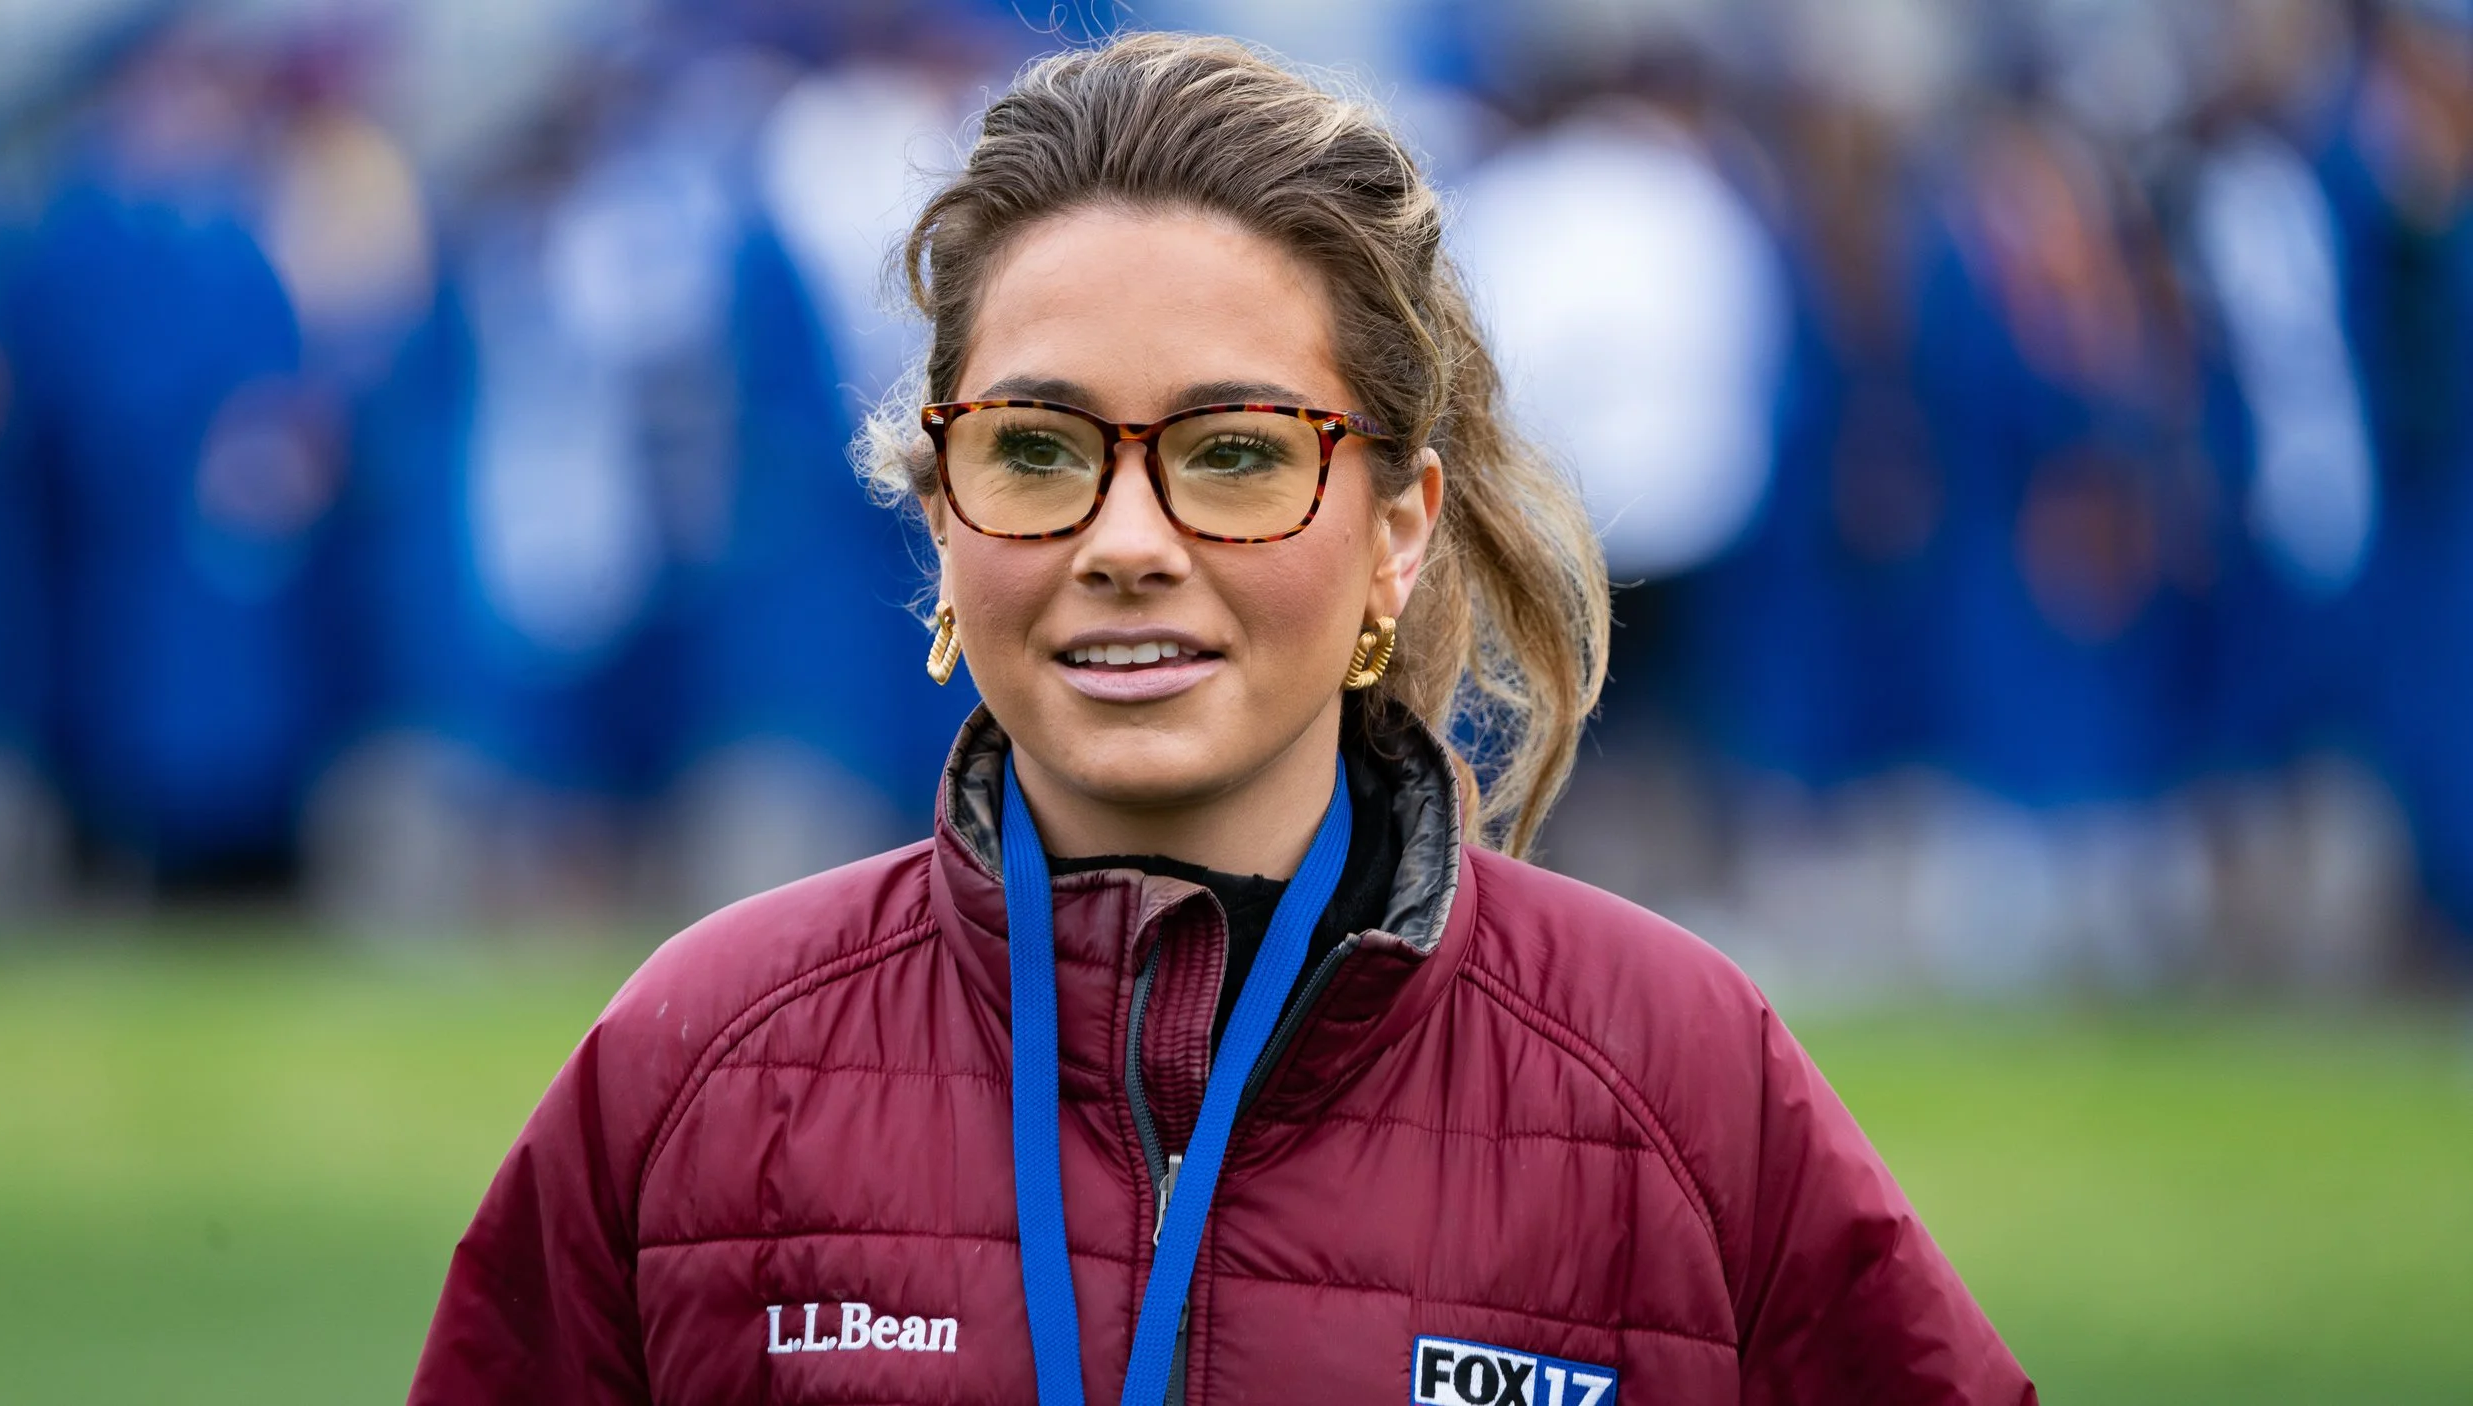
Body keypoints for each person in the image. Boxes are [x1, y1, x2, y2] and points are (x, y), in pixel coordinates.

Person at [410, 34, 2035, 1405]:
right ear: (941, 512)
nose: (1125, 541)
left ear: (1400, 523)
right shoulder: (703, 1059)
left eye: (1239, 451)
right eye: (1038, 448)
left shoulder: (1675, 1079)